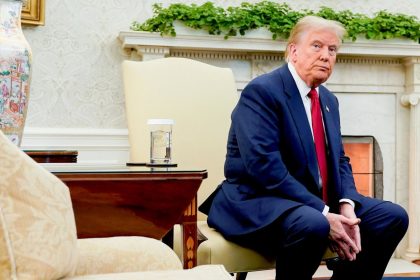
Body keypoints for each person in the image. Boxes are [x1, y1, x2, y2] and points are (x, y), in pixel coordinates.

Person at [199, 15, 409, 280]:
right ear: (293, 51)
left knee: (391, 216)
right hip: (258, 200)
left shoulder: (328, 100)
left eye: (332, 50)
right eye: (317, 46)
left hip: (311, 202)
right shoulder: (262, 92)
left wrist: (346, 205)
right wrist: (323, 213)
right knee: (313, 222)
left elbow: (340, 160)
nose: (326, 56)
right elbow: (264, 167)